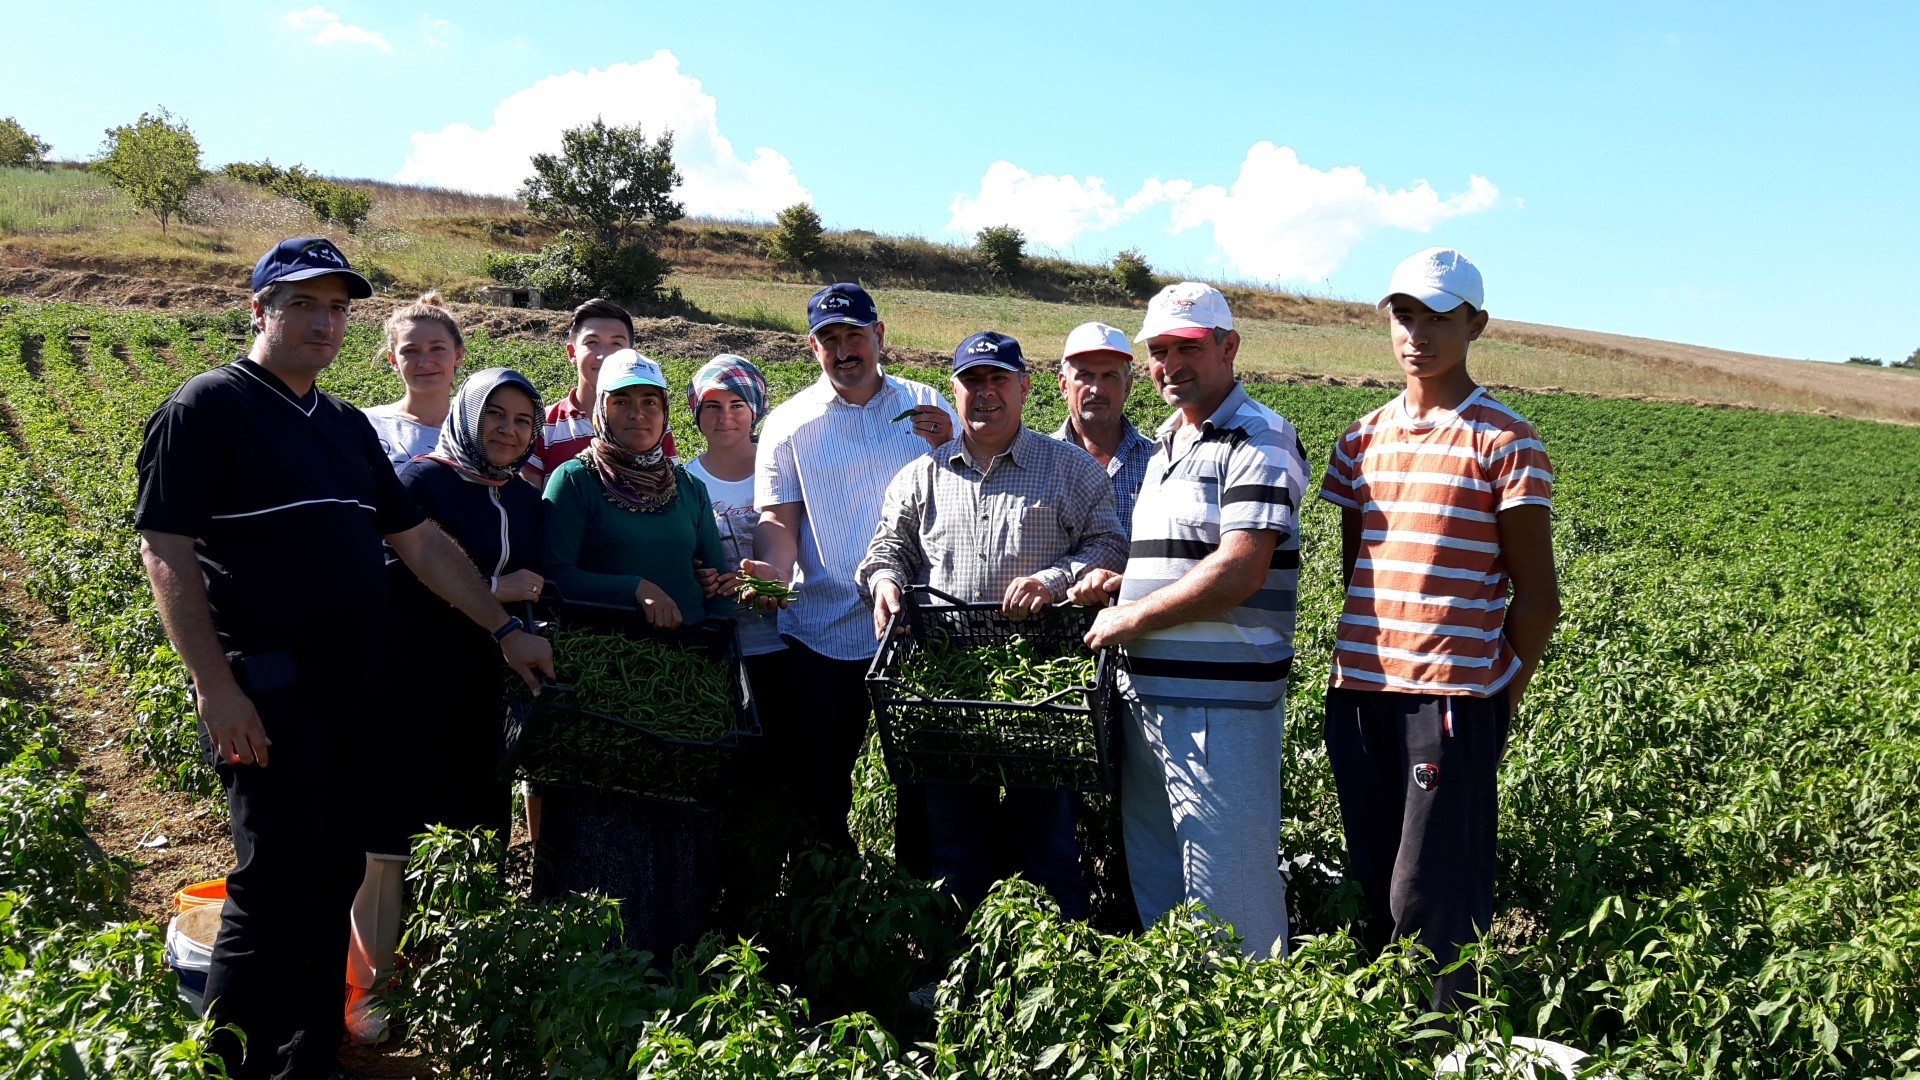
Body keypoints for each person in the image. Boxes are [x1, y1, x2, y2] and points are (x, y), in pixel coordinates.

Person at [134, 236, 552, 1080]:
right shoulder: (207, 407)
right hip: (269, 685)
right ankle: (236, 1061)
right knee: (273, 881)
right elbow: (167, 552)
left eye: (336, 307)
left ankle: (307, 1051)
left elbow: (422, 543)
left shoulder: (344, 426)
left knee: (332, 876)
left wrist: (504, 630)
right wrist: (216, 688)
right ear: (260, 311)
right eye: (303, 304)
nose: (323, 322)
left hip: (359, 687)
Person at [1316, 248, 1559, 1011]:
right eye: (1404, 314)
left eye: (1437, 316)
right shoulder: (1359, 439)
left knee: (1433, 895)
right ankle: (1379, 1034)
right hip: (1359, 690)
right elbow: (1360, 570)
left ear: (1476, 324)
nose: (1415, 333)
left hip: (1449, 699)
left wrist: (1499, 694)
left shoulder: (1504, 441)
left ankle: (1443, 1040)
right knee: (1376, 877)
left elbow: (1539, 598)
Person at [1071, 281, 1307, 959]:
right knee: (1164, 885)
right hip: (1149, 699)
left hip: (1217, 707)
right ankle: (1184, 1030)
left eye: (1189, 347)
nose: (1171, 363)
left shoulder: (1259, 434)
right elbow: (1189, 558)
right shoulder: (1170, 442)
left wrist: (1132, 615)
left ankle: (1254, 1036)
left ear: (1228, 347)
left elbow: (1240, 568)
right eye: (1160, 350)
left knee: (1230, 897)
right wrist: (1124, 583)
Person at [856, 331, 1127, 919]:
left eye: (998, 380)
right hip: (947, 688)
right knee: (954, 847)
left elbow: (1108, 544)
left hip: (1044, 690)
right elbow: (887, 549)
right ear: (953, 392)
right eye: (972, 381)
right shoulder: (920, 477)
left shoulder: (1070, 470)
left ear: (1025, 388)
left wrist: (1054, 581)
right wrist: (884, 583)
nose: (985, 393)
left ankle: (1062, 977)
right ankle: (955, 978)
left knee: (1049, 845)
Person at [344, 366, 546, 1045]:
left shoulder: (521, 498)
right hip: (409, 680)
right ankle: (370, 989)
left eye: (522, 421)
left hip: (487, 687)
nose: (509, 431)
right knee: (390, 836)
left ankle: (449, 975)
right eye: (497, 415)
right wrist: (500, 586)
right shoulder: (418, 483)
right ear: (467, 414)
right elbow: (389, 573)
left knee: (473, 826)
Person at [740, 282, 954, 853]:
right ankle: (833, 902)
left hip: (914, 629)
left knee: (920, 781)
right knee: (821, 784)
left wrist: (953, 441)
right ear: (814, 348)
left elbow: (960, 497)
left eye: (854, 335)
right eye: (829, 339)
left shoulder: (926, 406)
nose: (843, 350)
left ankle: (922, 904)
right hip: (820, 629)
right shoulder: (789, 423)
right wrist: (771, 576)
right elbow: (780, 518)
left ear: (879, 335)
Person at [541, 348, 731, 626]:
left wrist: (721, 644)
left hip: (691, 654)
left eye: (650, 402)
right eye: (621, 402)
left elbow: (718, 584)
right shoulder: (575, 480)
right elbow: (553, 575)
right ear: (601, 411)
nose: (637, 414)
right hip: (604, 652)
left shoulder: (689, 488)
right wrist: (634, 588)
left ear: (664, 410)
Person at [523, 297, 675, 485]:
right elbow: (531, 502)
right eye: (592, 342)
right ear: (572, 353)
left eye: (616, 344)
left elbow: (670, 488)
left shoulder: (651, 425)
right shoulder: (545, 426)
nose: (604, 355)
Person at [1051, 321, 1156, 529]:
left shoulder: (1157, 462)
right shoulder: (1038, 459)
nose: (1096, 389)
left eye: (1109, 376)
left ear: (1127, 386)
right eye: (1085, 376)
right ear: (1064, 385)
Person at [362, 294, 461, 466]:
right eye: (410, 351)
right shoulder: (365, 425)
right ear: (393, 360)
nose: (425, 362)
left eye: (437, 348)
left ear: (458, 355)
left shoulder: (480, 429)